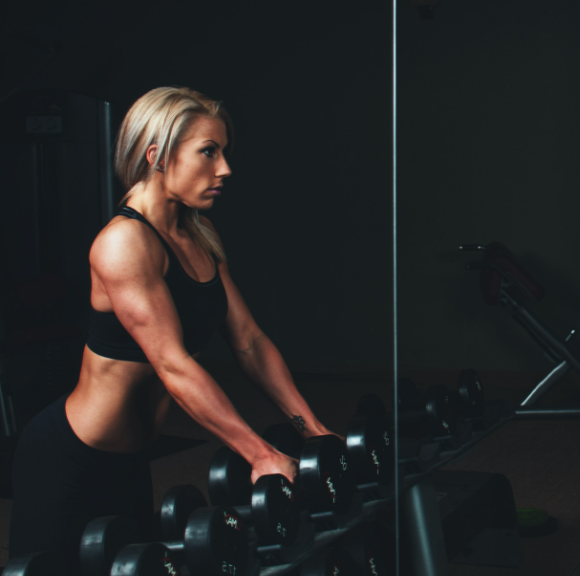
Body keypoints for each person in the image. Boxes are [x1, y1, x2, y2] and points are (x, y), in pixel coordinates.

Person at [8, 87, 337, 572]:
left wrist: (313, 433)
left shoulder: (198, 235)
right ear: (156, 154)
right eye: (209, 151)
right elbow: (172, 365)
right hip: (70, 460)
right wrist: (261, 454)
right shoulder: (123, 244)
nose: (225, 169)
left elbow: (248, 341)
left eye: (223, 152)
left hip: (131, 463)